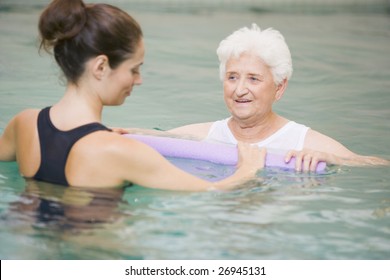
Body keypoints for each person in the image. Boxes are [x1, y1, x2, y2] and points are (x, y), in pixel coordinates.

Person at [0, 0, 265, 191]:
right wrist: (248, 170)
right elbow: (213, 190)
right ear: (101, 67)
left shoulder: (24, 124)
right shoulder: (121, 151)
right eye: (134, 69)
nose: (139, 80)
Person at [168, 24, 389, 172]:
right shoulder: (202, 135)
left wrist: (335, 159)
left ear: (279, 87)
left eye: (254, 79)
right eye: (232, 77)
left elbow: (380, 165)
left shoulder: (304, 142)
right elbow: (144, 139)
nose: (240, 90)